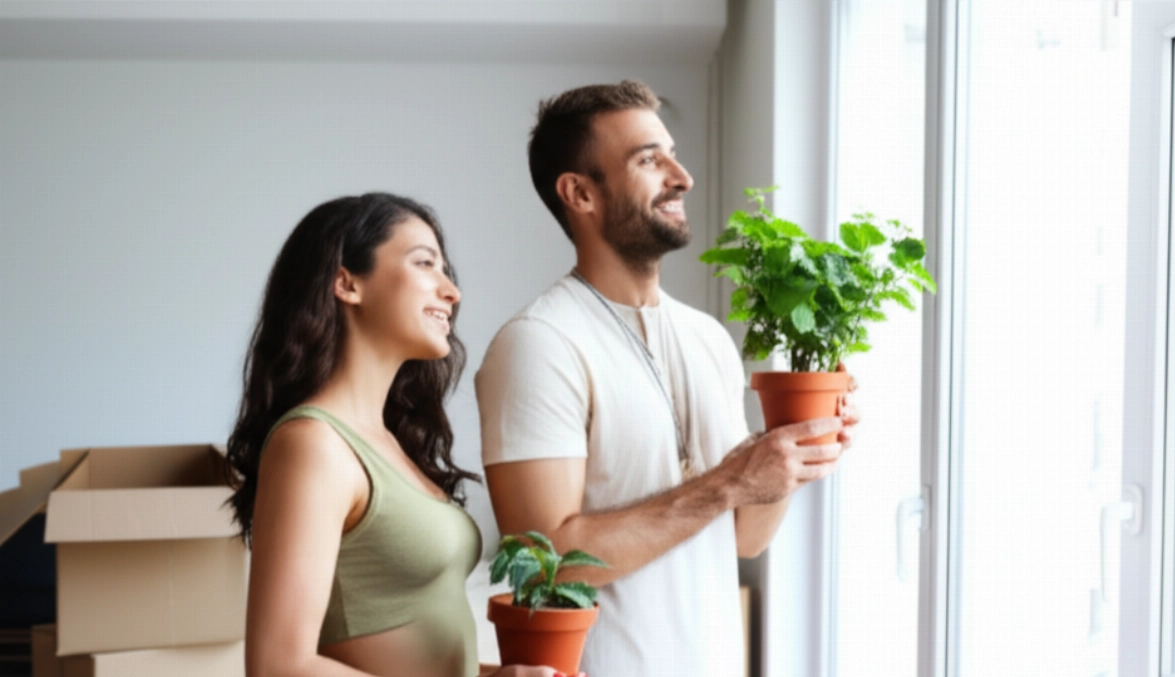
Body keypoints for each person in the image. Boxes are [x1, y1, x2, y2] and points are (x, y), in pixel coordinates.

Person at [475, 81, 859, 677]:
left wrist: (788, 455)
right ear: (579, 193)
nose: (682, 177)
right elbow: (543, 562)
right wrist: (727, 481)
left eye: (672, 153)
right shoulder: (539, 343)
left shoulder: (708, 338)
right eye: (648, 160)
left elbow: (743, 539)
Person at [224, 193, 576, 677]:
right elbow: (278, 666)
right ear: (346, 283)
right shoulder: (312, 444)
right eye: (425, 263)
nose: (451, 291)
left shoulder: (389, 443)